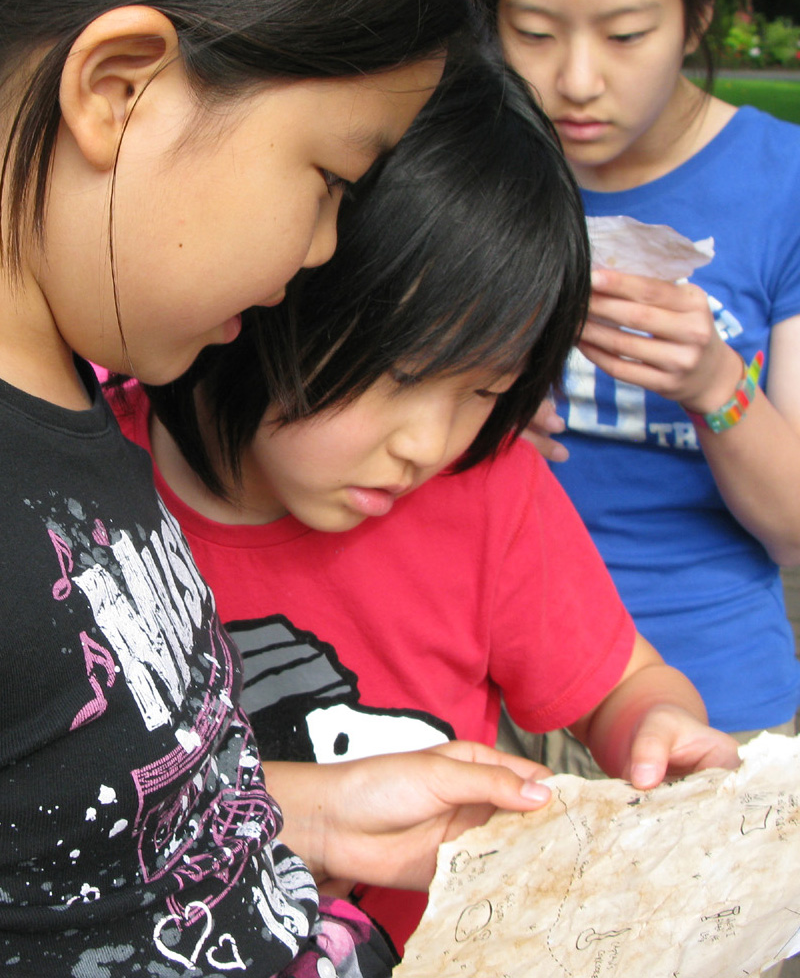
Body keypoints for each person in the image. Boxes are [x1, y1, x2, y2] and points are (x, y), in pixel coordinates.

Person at [0, 0, 567, 976]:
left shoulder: (79, 386)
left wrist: (313, 810)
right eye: (333, 181)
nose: (321, 252)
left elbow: (89, 807)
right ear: (118, 89)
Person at [111, 51, 741, 952]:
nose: (427, 443)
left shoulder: (484, 495)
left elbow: (625, 681)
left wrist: (658, 730)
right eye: (402, 375)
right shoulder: (87, 508)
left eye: (484, 392)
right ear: (276, 282)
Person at [483, 0, 800, 770]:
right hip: (487, 691)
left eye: (626, 34)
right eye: (534, 32)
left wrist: (716, 385)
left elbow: (796, 527)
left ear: (697, 12)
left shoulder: (783, 185)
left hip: (708, 702)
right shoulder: (472, 172)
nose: (577, 79)